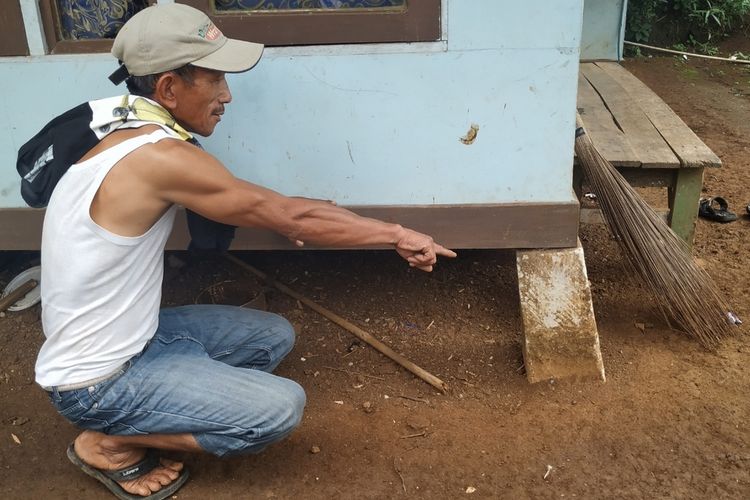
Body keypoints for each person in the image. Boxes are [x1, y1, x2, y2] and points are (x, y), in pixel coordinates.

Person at [30, 3, 455, 499]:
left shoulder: (117, 122)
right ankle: (108, 439)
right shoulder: (159, 158)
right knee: (277, 410)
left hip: (133, 338)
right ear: (169, 87)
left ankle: (173, 392)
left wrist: (294, 213)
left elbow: (269, 206)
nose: (227, 95)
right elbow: (287, 216)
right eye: (215, 79)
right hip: (95, 381)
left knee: (271, 336)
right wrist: (398, 235)